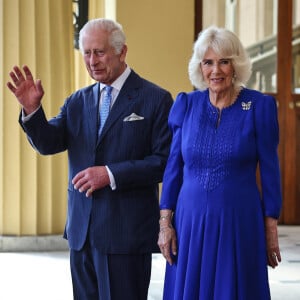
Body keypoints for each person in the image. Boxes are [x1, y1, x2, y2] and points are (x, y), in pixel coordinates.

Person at [7, 18, 173, 300]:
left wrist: (110, 174)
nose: (92, 61)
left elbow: (163, 162)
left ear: (122, 52)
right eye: (86, 53)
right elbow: (48, 143)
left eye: (99, 52)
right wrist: (33, 112)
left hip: (126, 236)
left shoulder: (155, 99)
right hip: (82, 235)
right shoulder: (77, 101)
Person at [157, 26, 282, 300]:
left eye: (224, 61)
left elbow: (271, 171)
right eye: (208, 62)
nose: (216, 70)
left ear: (235, 65)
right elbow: (173, 168)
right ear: (199, 67)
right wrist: (165, 224)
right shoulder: (186, 105)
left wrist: (270, 229)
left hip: (239, 223)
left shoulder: (259, 106)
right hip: (189, 224)